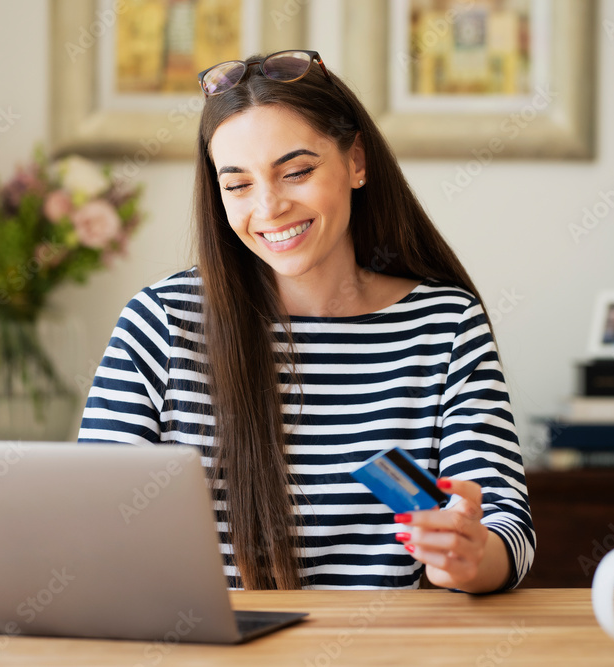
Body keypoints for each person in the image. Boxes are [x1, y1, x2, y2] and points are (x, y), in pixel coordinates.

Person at [79, 50, 534, 593]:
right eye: (238, 185)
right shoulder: (161, 324)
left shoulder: (445, 324)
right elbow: (93, 529)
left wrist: (469, 555)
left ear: (356, 162)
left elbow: (506, 527)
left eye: (296, 171)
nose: (269, 207)